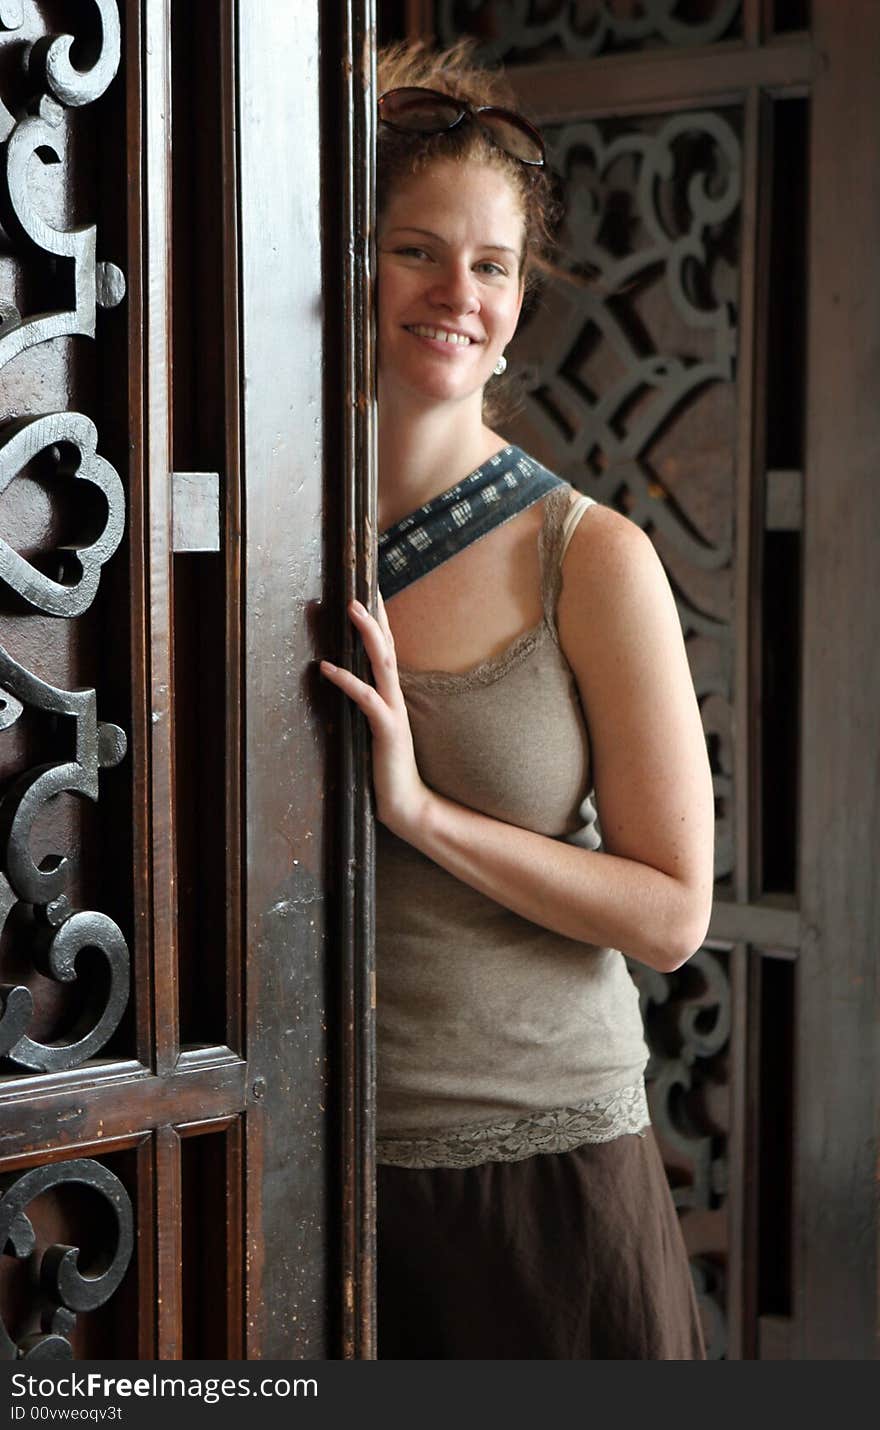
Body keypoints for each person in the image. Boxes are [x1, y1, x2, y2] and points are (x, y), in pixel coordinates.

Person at [320, 40, 714, 1360]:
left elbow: (672, 913)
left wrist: (418, 808)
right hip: (312, 1171)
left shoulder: (592, 555)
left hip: (549, 1179)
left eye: (491, 264)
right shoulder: (264, 542)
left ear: (520, 298)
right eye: (417, 249)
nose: (456, 292)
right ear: (350, 262)